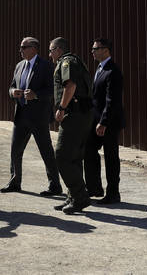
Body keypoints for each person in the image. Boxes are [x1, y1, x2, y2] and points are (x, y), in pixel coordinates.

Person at [0, 37, 62, 196]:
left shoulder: (47, 66)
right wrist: (13, 92)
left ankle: (55, 186)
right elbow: (11, 86)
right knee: (15, 151)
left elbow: (51, 91)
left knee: (46, 152)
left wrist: (35, 95)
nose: (20, 50)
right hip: (21, 115)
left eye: (24, 47)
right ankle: (15, 182)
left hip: (39, 117)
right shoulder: (19, 65)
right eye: (20, 47)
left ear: (34, 48)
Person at [48, 37, 94, 214]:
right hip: (80, 115)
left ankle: (80, 197)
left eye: (51, 50)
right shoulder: (73, 61)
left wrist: (61, 107)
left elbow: (70, 85)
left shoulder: (66, 62)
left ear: (59, 49)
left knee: (62, 156)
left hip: (74, 115)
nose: (50, 54)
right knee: (74, 157)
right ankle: (73, 196)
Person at [84, 38, 124, 203]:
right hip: (95, 121)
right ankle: (94, 188)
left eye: (96, 48)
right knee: (89, 151)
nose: (92, 51)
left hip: (109, 122)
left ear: (106, 50)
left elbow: (112, 100)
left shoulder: (112, 70)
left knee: (111, 157)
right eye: (92, 48)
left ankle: (113, 193)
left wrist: (104, 122)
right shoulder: (100, 69)